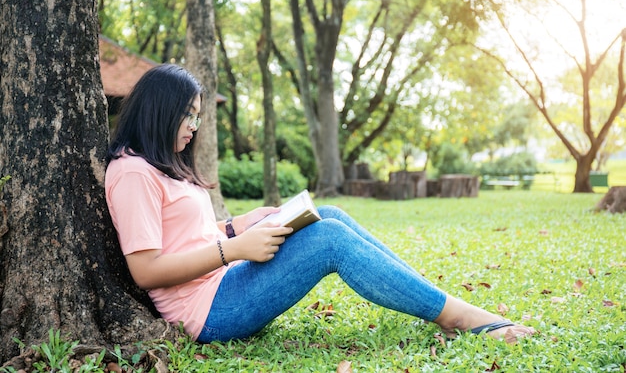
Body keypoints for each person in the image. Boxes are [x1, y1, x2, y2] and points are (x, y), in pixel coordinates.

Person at [105, 64, 535, 345]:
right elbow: (146, 270)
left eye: (198, 116)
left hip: (224, 279)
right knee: (328, 238)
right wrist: (233, 249)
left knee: (329, 215)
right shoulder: (132, 173)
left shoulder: (163, 168)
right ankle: (457, 316)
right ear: (160, 112)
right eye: (189, 115)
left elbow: (185, 236)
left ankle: (436, 301)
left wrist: (236, 226)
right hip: (208, 311)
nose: (195, 127)